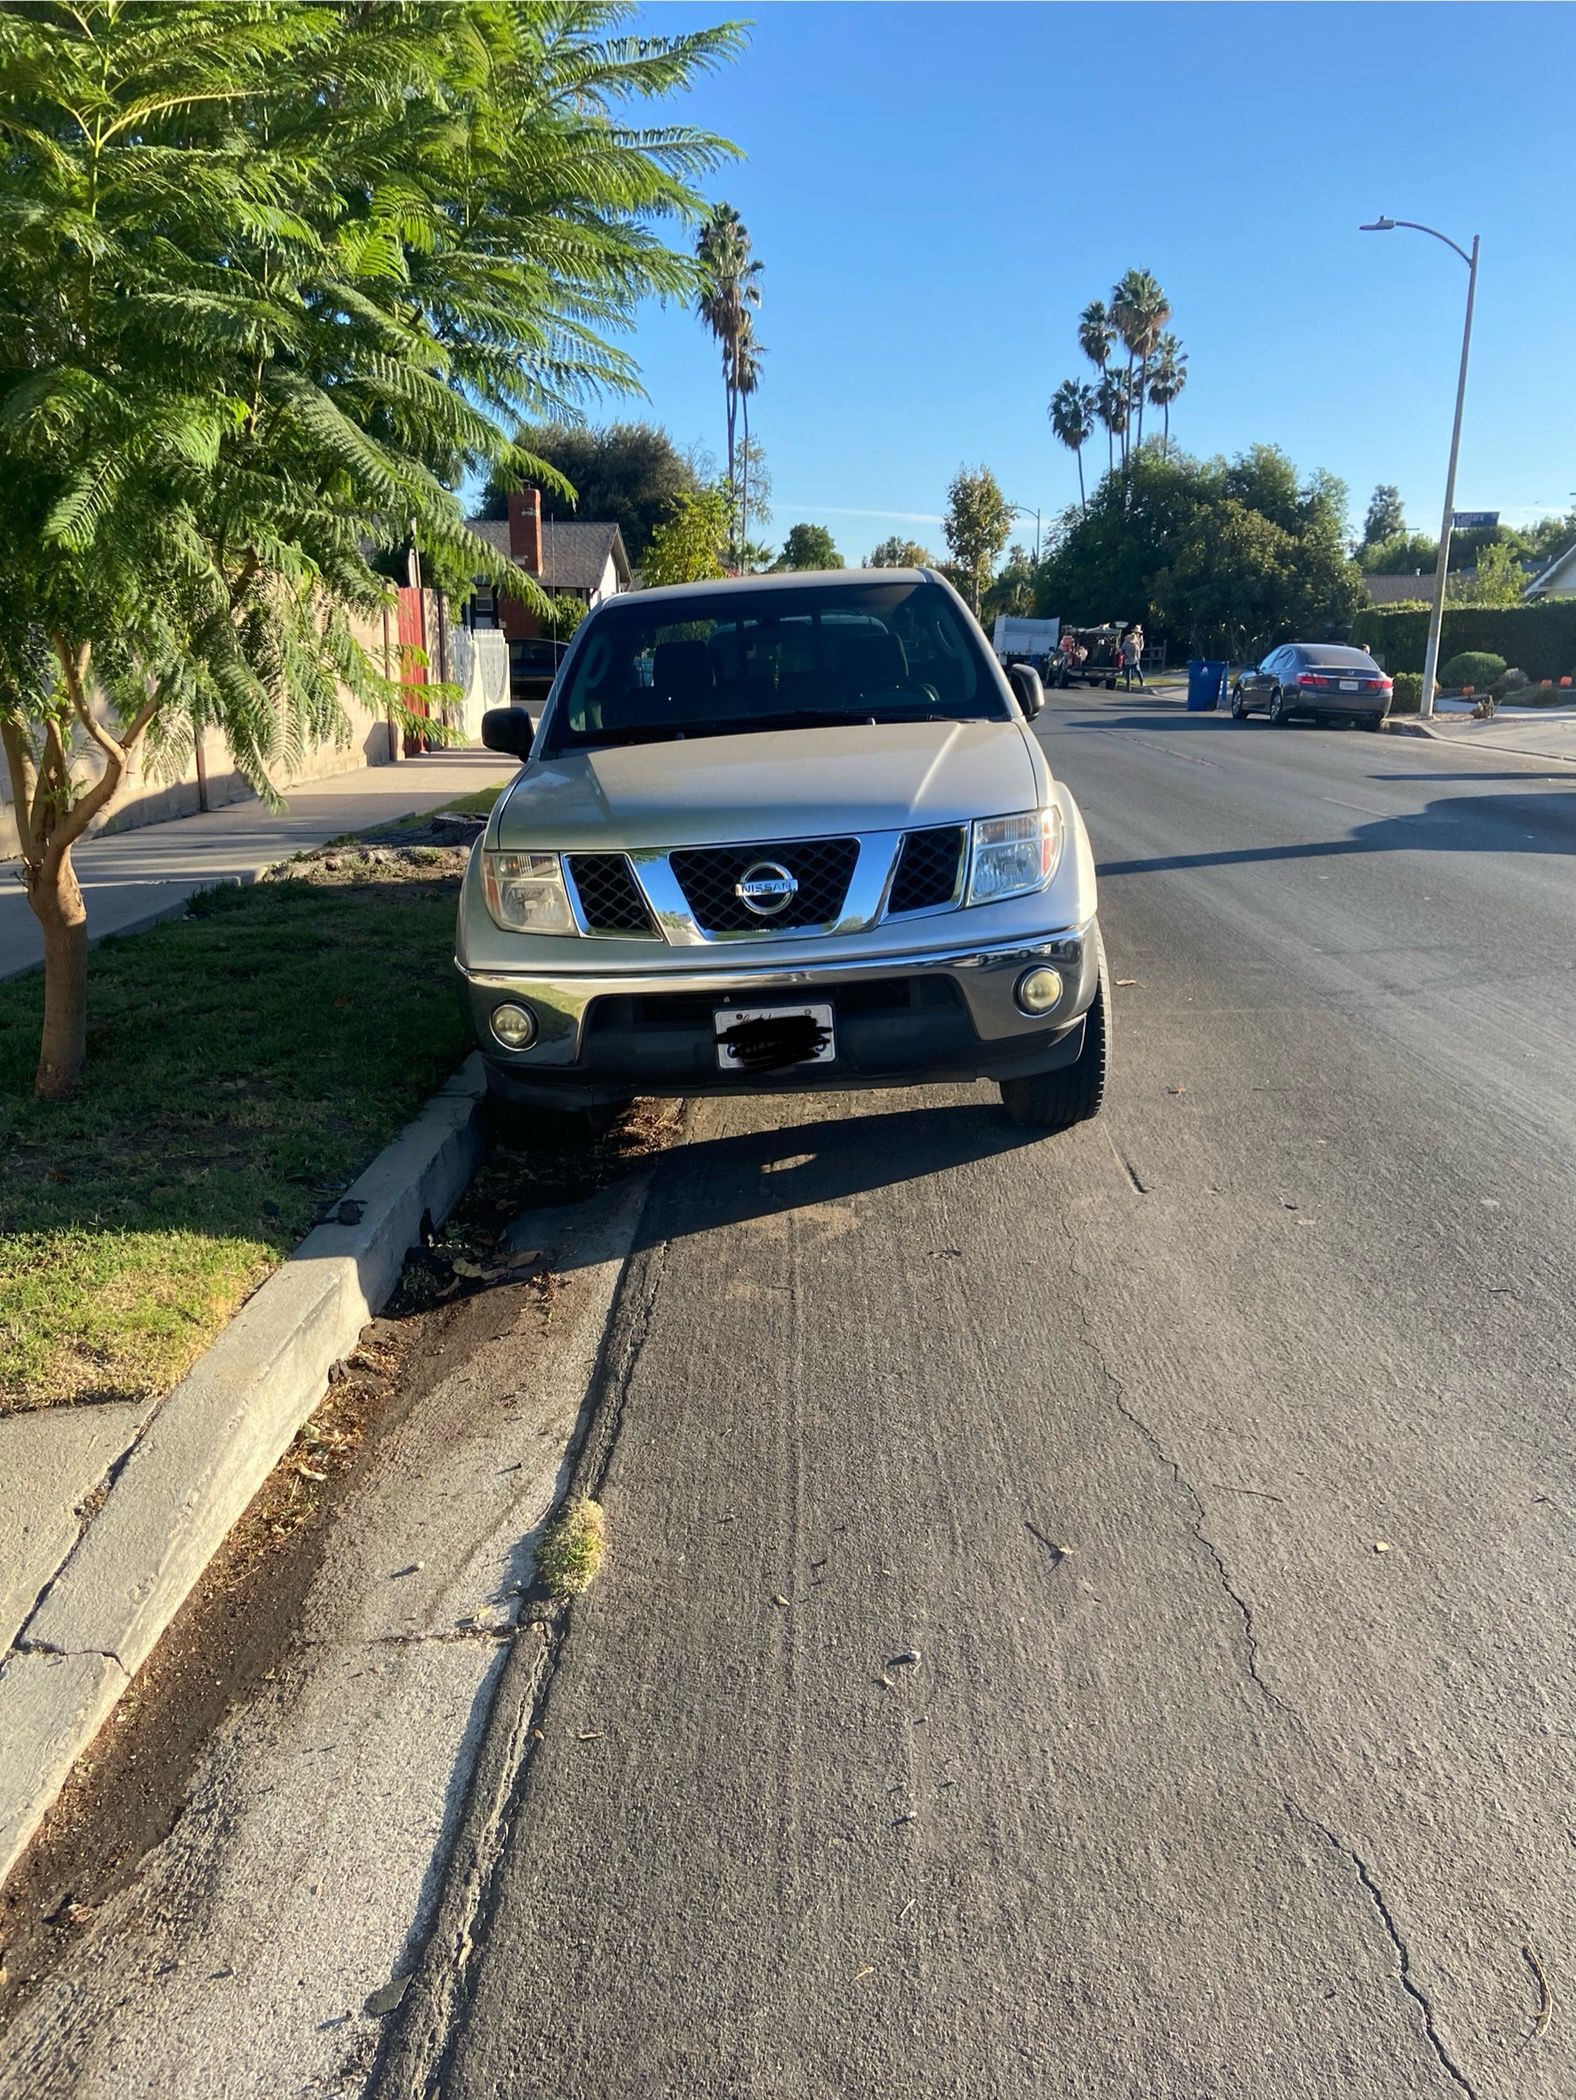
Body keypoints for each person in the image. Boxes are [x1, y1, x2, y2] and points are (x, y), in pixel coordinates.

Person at [1120, 625, 1145, 690]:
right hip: (1134, 660)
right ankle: (1141, 682)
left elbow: (1121, 650)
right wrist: (1137, 658)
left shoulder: (1126, 643)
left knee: (1128, 674)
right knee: (1138, 672)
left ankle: (1128, 687)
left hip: (1128, 661)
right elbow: (1139, 651)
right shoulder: (1136, 644)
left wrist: (1124, 655)